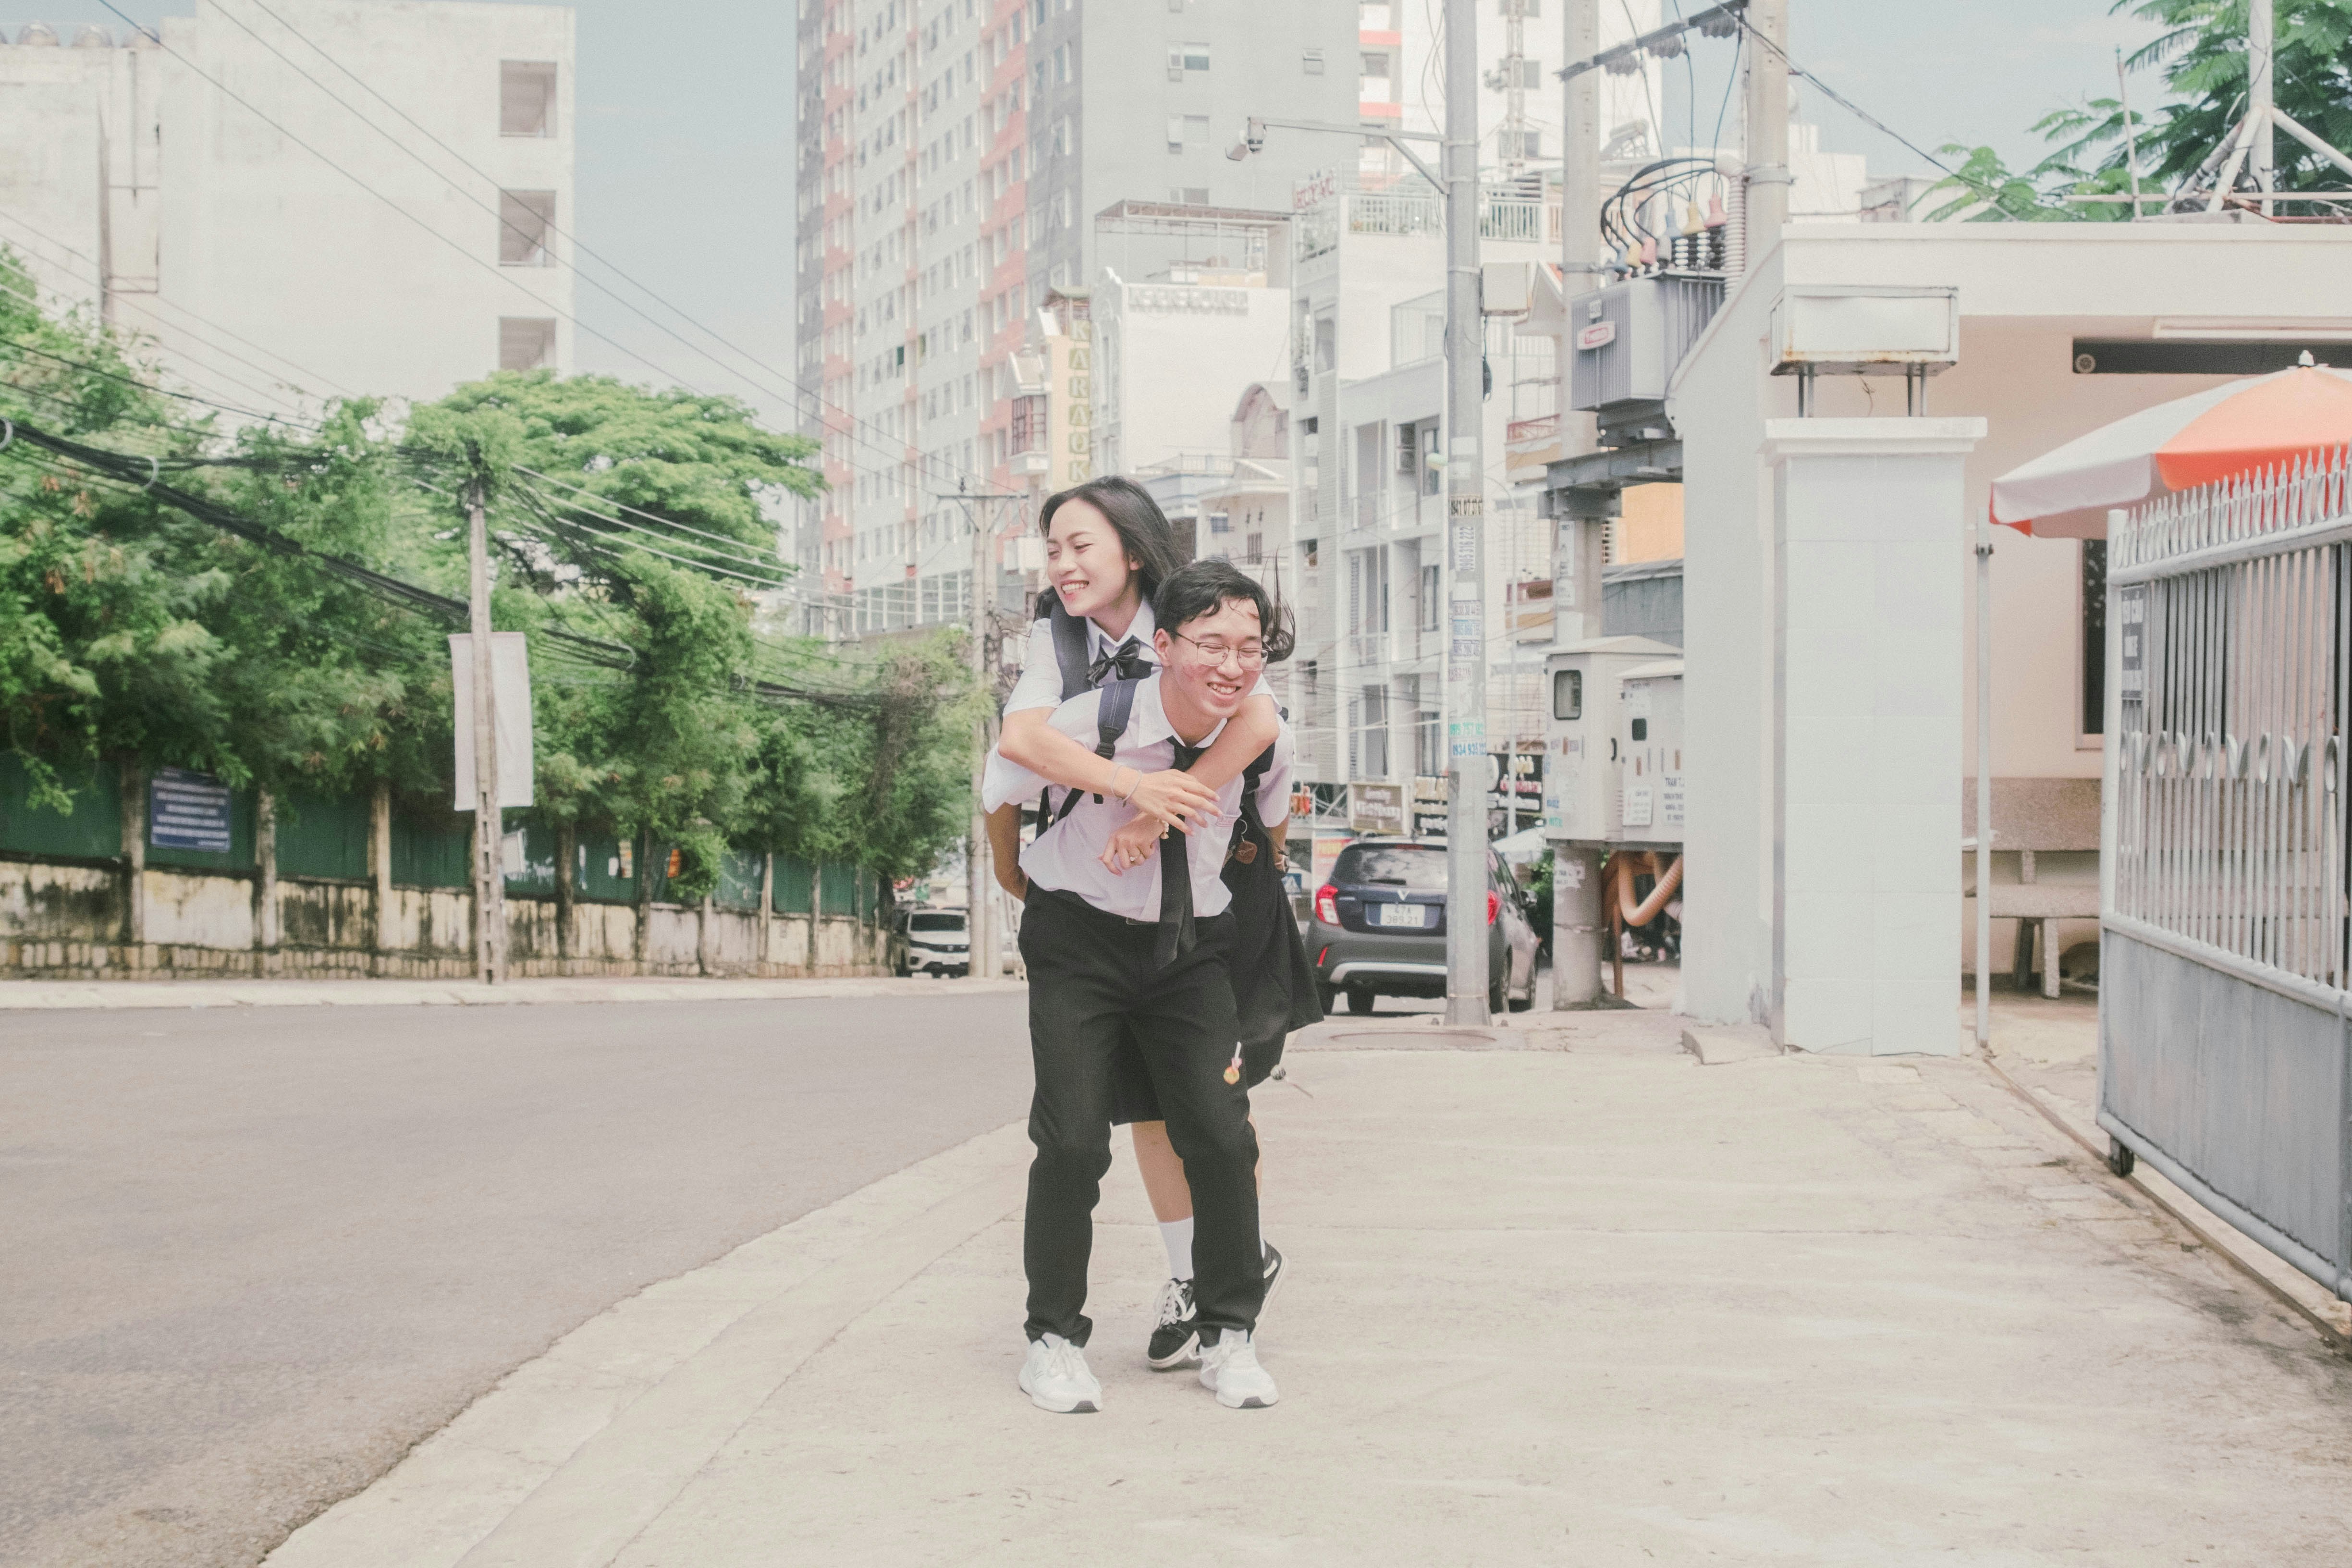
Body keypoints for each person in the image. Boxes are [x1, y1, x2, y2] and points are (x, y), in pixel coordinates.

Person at [986, 478, 1315, 1373]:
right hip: (1087, 911)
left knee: (1211, 1117)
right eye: (1051, 548)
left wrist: (1167, 807)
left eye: (1079, 545)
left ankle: (1221, 1298)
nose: (1062, 565)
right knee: (1105, 1122)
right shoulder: (1061, 650)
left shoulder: (1203, 628)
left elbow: (1258, 720)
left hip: (1202, 900)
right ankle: (1093, 1320)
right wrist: (1116, 798)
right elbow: (1015, 751)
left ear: (1131, 548)